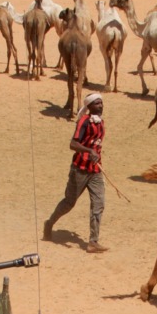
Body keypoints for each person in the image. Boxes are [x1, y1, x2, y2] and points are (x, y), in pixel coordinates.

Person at [42, 91, 107, 253]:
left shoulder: (101, 123)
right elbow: (73, 144)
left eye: (101, 103)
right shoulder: (83, 122)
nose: (100, 106)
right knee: (69, 203)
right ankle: (49, 223)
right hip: (79, 170)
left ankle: (93, 241)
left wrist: (96, 155)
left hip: (95, 170)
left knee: (98, 204)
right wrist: (88, 151)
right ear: (89, 106)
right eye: (97, 103)